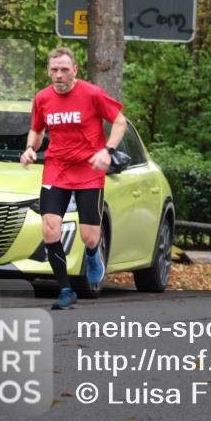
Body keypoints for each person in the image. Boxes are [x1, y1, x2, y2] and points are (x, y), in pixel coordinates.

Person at [21, 47, 126, 310]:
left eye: (64, 70)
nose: (59, 74)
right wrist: (31, 149)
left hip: (89, 170)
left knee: (89, 236)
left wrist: (108, 151)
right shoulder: (42, 98)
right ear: (48, 71)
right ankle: (66, 289)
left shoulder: (92, 94)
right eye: (54, 70)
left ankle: (92, 254)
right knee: (49, 228)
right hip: (56, 168)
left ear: (75, 70)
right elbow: (36, 130)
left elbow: (120, 122)